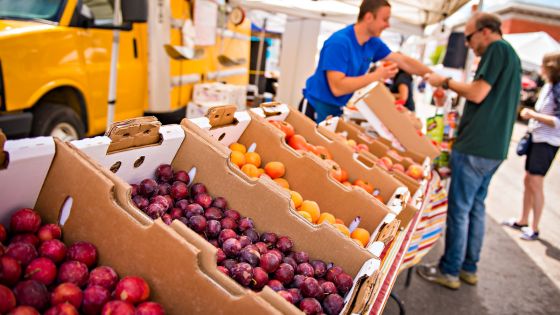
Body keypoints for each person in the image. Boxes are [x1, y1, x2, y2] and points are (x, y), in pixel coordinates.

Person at [417, 12, 521, 290]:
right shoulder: (511, 55)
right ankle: (467, 269)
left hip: (476, 146)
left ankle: (449, 270)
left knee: (460, 210)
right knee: (475, 208)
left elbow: (477, 93)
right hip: (493, 149)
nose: (467, 43)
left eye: (469, 36)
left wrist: (445, 82)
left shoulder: (497, 49)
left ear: (486, 32)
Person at [301, 0, 432, 123]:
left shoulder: (373, 42)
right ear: (369, 17)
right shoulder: (339, 43)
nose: (388, 25)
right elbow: (337, 88)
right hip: (316, 106)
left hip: (337, 108)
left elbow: (403, 61)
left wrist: (433, 75)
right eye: (385, 19)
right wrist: (377, 75)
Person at [502, 52, 560, 241]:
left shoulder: (557, 89)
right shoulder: (549, 87)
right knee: (529, 180)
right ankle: (523, 219)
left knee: (536, 182)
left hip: (547, 141)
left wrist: (533, 116)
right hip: (537, 138)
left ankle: (535, 227)